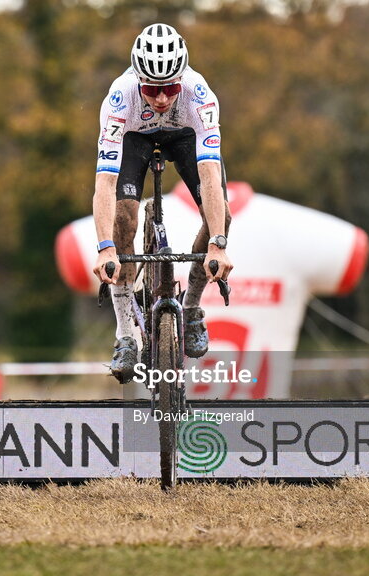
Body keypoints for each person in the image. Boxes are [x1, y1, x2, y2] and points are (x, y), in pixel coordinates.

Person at [91, 23, 233, 383]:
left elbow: (210, 176)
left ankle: (193, 308)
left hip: (184, 135)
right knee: (124, 220)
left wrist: (217, 244)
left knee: (222, 218)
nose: (161, 98)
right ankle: (125, 333)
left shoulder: (200, 96)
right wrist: (106, 248)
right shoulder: (120, 98)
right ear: (138, 79)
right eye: (152, 89)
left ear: (181, 79)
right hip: (136, 138)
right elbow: (105, 183)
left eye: (170, 87)